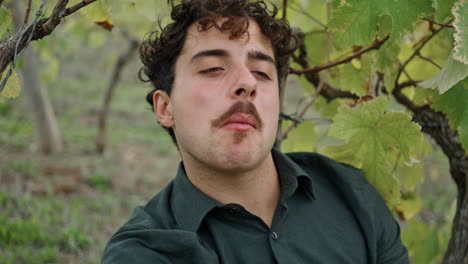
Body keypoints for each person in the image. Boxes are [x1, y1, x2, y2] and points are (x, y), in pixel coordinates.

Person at [101, 0, 409, 263]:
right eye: (213, 69)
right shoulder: (144, 252)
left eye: (261, 72)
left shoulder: (353, 195)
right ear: (165, 108)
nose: (247, 83)